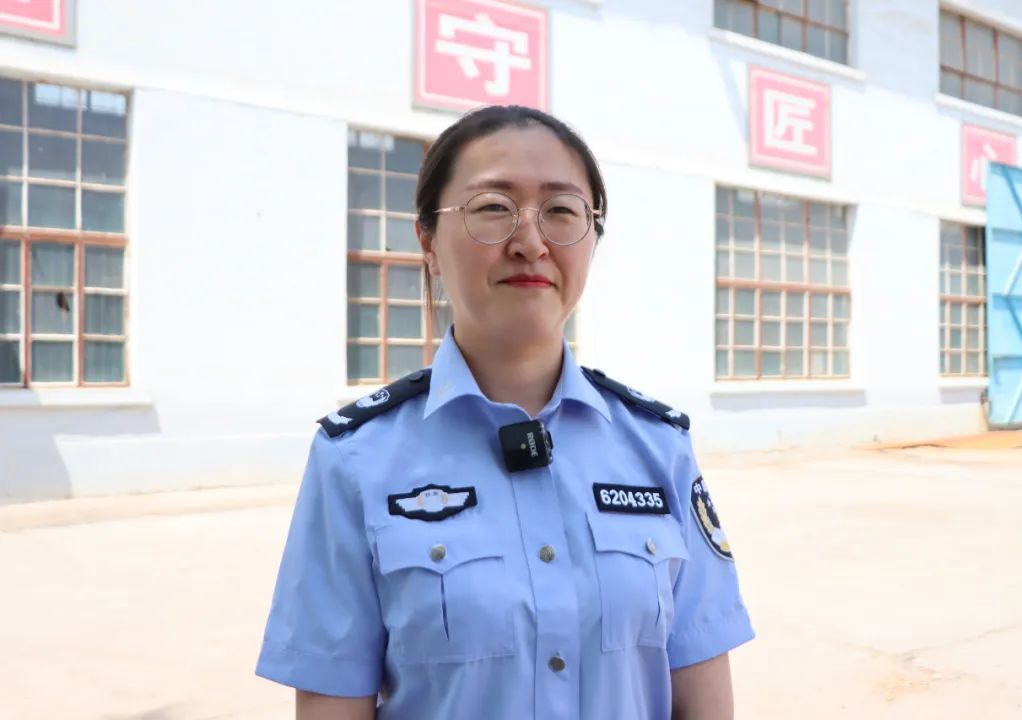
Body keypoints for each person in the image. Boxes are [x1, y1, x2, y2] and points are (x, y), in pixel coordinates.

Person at [255, 105, 754, 720]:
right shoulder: (356, 460)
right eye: (493, 207)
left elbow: (705, 702)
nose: (531, 243)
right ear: (428, 241)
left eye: (562, 210)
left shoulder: (658, 448)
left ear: (592, 238)